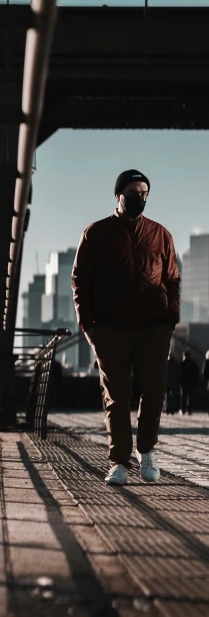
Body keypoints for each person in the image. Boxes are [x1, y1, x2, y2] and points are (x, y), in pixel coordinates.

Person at [72, 169, 180, 486]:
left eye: (144, 194)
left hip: (154, 328)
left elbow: (172, 279)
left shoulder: (161, 235)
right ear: (119, 195)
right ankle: (120, 461)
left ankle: (146, 453)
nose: (139, 199)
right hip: (109, 329)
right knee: (117, 397)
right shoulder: (96, 233)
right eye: (133, 193)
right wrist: (88, 325)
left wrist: (170, 317)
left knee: (155, 390)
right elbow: (80, 280)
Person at [179, 350, 199, 415]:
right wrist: (195, 382)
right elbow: (196, 374)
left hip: (184, 383)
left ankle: (183, 410)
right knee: (190, 398)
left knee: (183, 397)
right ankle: (189, 410)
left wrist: (179, 381)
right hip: (191, 383)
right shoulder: (193, 363)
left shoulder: (182, 363)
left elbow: (179, 374)